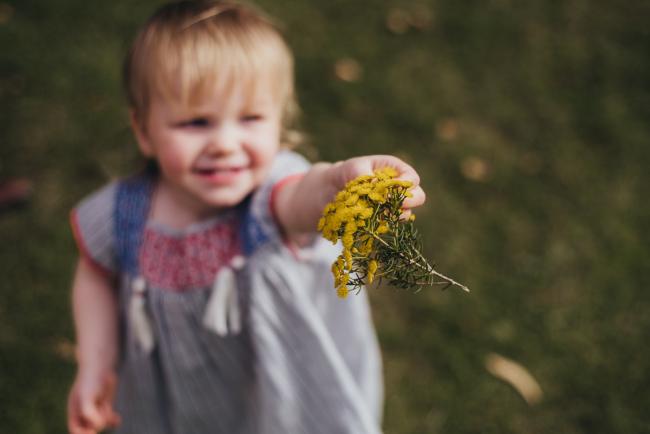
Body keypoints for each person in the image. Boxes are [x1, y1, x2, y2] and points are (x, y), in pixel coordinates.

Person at [66, 1, 425, 433]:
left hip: (268, 392)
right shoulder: (124, 213)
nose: (224, 143)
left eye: (250, 118)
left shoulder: (267, 200)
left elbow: (304, 197)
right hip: (163, 397)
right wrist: (95, 364)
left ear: (278, 122)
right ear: (144, 130)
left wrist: (340, 183)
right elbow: (95, 272)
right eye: (196, 122)